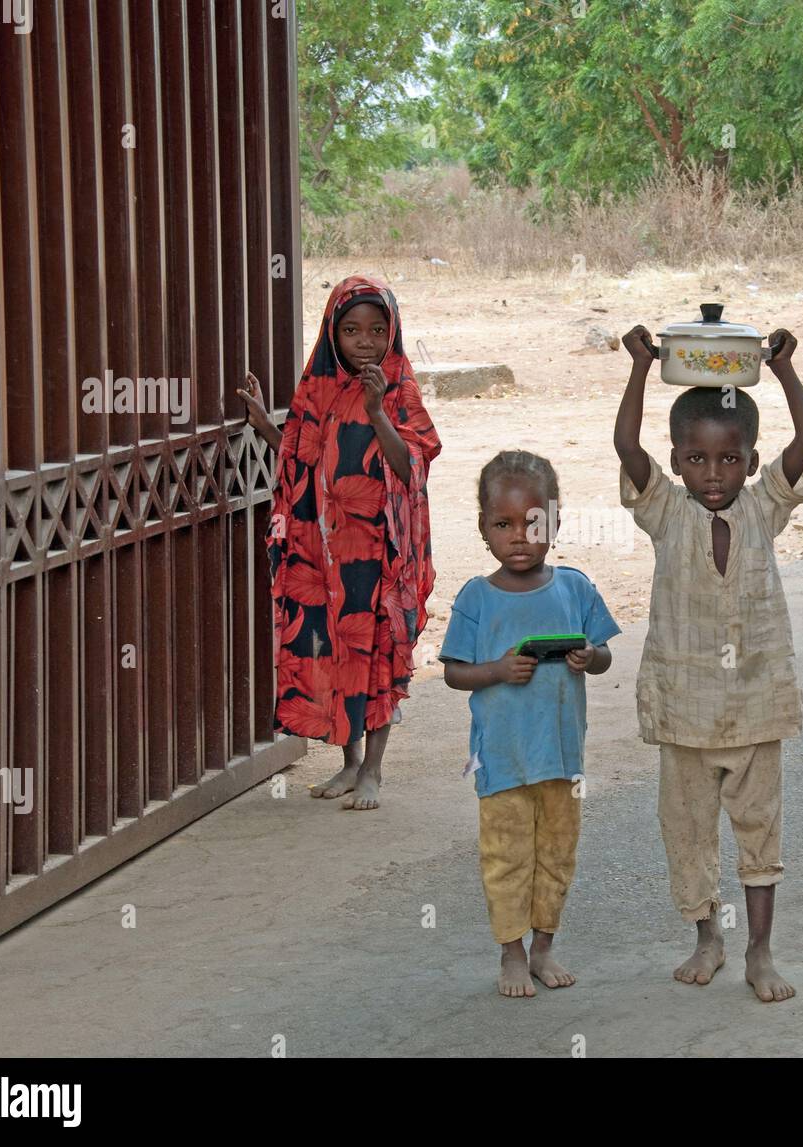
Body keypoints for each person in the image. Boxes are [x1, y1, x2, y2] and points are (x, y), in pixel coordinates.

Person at [614, 324, 803, 1003]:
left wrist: (784, 369)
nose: (713, 473)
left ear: (751, 460)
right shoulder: (665, 512)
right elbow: (625, 445)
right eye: (698, 459)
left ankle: (761, 951)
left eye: (729, 459)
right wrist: (643, 368)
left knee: (761, 833)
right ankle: (707, 935)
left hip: (757, 706)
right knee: (688, 832)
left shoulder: (765, 508)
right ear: (677, 461)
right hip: (686, 710)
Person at [242, 276, 440, 810]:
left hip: (380, 554)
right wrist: (264, 423)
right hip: (326, 556)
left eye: (377, 330)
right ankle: (348, 765)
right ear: (333, 333)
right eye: (351, 330)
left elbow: (410, 468)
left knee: (375, 653)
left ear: (392, 332)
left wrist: (377, 411)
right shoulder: (318, 387)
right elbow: (301, 457)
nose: (365, 341)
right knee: (333, 650)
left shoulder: (398, 387)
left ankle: (374, 769)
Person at [439, 451, 619, 998]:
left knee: (557, 856)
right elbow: (453, 673)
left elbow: (605, 654)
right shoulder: (476, 597)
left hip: (561, 761)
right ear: (483, 528)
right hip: (503, 761)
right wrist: (495, 670)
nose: (519, 536)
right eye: (503, 524)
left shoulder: (575, 588)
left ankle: (543, 948)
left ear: (557, 522)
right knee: (506, 858)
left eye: (533, 523)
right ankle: (510, 954)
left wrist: (590, 656)